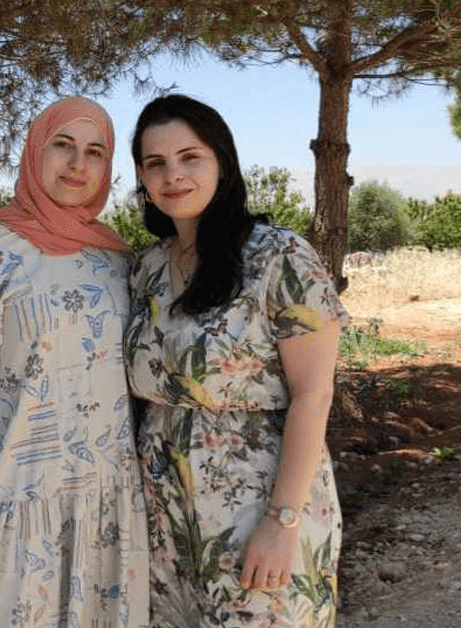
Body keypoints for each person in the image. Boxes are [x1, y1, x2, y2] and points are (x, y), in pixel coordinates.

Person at [0, 96, 150, 628]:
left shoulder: (116, 258)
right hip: (15, 495)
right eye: (62, 146)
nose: (77, 165)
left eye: (94, 151)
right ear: (35, 152)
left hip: (105, 497)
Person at [123, 93, 348, 627]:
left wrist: (282, 520)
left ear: (221, 162)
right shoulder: (146, 268)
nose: (173, 174)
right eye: (156, 163)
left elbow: (314, 394)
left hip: (258, 508)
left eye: (190, 156)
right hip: (164, 515)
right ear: (143, 178)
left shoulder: (279, 256)